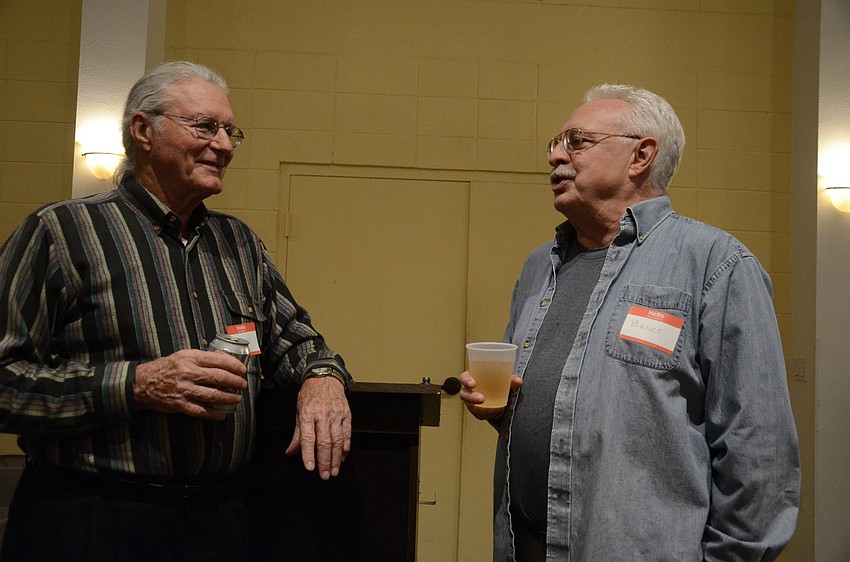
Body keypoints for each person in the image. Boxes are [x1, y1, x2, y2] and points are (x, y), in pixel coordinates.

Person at [0, 61, 352, 562]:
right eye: (205, 127)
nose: (226, 146)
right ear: (144, 130)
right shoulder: (61, 234)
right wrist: (137, 385)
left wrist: (322, 379)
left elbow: (297, 341)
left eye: (231, 131)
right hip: (91, 523)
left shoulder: (239, 245)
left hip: (218, 525)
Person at [459, 84, 800, 561]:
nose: (556, 157)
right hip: (527, 546)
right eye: (554, 145)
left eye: (576, 141)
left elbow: (759, 451)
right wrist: (503, 411)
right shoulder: (541, 266)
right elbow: (576, 413)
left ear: (641, 155)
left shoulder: (714, 264)